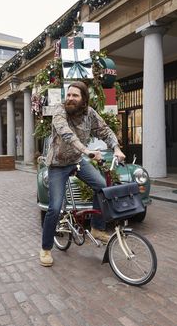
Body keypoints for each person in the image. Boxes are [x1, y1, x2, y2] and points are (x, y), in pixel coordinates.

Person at [40, 81, 126, 267]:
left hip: (77, 161)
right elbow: (67, 135)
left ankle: (97, 228)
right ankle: (46, 249)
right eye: (68, 95)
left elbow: (105, 130)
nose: (70, 98)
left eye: (75, 96)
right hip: (58, 165)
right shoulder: (59, 111)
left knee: (102, 187)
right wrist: (86, 151)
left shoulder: (90, 114)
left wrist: (117, 148)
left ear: (84, 99)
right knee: (54, 208)